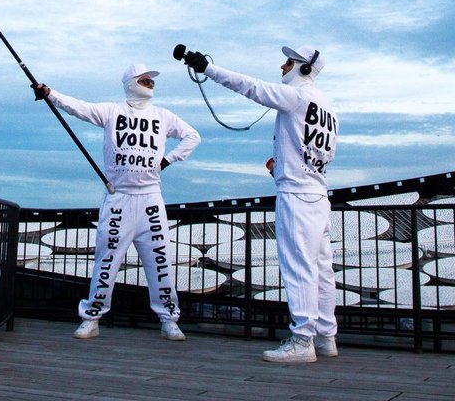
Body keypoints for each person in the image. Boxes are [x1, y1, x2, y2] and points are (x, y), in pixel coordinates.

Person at [179, 44, 338, 363]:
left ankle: (302, 340)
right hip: (318, 194)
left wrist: (208, 68)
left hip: (297, 196)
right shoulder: (326, 105)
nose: (282, 67)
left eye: (289, 62)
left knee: (299, 268)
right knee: (322, 269)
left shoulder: (296, 97)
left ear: (303, 68)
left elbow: (249, 87)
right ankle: (326, 337)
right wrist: (281, 166)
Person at [33, 64, 201, 341]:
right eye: (145, 79)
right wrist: (51, 94)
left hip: (150, 198)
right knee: (106, 259)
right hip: (118, 198)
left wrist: (167, 160)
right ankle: (92, 318)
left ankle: (169, 319)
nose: (150, 83)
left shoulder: (163, 116)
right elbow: (79, 107)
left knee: (160, 261)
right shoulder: (112, 112)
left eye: (151, 79)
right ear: (131, 83)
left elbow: (192, 136)